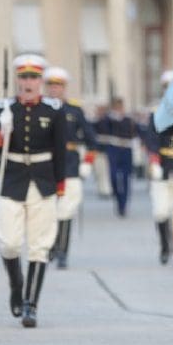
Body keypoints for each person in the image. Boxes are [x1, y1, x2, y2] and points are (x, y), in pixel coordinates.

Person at [0, 54, 67, 328]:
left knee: (39, 246)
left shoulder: (53, 110)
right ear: (17, 80)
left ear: (40, 81)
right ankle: (15, 284)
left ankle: (30, 304)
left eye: (33, 77)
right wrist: (2, 132)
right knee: (9, 242)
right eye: (24, 77)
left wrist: (60, 186)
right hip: (12, 180)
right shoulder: (4, 107)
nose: (28, 82)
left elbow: (60, 150)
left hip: (43, 182)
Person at [44, 66, 99, 269]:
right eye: (51, 85)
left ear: (64, 88)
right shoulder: (42, 109)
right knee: (48, 210)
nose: (54, 89)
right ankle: (49, 247)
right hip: (47, 165)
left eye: (58, 85)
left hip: (70, 165)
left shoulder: (74, 110)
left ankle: (62, 252)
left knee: (66, 211)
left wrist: (87, 163)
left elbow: (92, 140)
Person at [146, 70, 173, 265]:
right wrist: (154, 162)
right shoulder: (157, 112)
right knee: (160, 211)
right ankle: (164, 246)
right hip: (162, 166)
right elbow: (152, 139)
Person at [94, 97, 136, 217]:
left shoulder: (128, 119)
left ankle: (123, 205)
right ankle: (118, 198)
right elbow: (99, 127)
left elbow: (134, 133)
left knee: (125, 178)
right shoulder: (108, 120)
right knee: (113, 176)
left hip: (126, 149)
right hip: (114, 148)